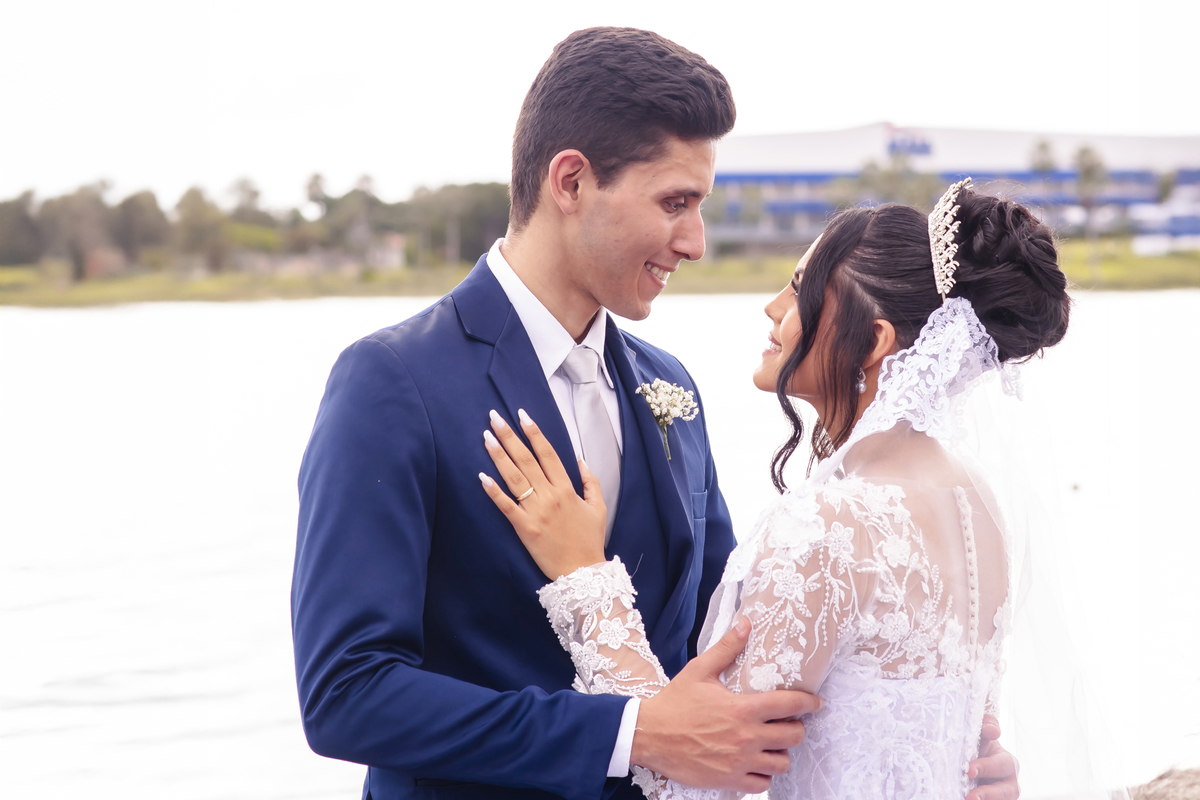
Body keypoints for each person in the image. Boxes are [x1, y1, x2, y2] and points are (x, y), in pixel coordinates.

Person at [292, 26, 1018, 800]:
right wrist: (630, 735)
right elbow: (346, 693)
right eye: (675, 202)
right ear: (570, 182)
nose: (696, 242)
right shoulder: (393, 382)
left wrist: (939, 754)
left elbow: (739, 638)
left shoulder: (671, 388)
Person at [478, 181, 1052, 799]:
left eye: (802, 289)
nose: (774, 307)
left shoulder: (830, 525)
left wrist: (586, 579)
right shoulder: (976, 503)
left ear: (876, 342)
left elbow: (693, 781)